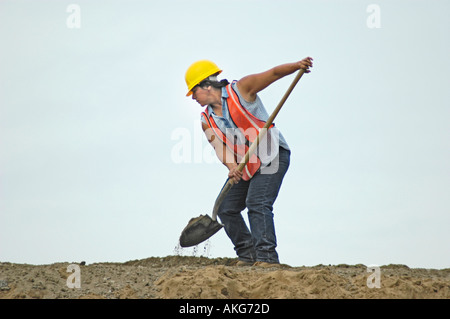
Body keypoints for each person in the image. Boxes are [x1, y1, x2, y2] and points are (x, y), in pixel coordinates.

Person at [184, 58, 313, 266]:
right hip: (247, 165)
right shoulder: (205, 120)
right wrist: (232, 167)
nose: (192, 98)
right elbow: (220, 147)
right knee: (226, 208)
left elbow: (272, 74)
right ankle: (248, 255)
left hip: (272, 155)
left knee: (257, 202)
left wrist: (296, 66)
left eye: (193, 91)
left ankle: (267, 259)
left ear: (207, 85)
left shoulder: (241, 90)